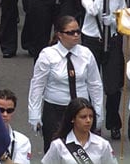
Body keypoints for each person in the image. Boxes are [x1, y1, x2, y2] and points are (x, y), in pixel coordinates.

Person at [28, 15, 104, 153]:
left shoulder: (86, 54)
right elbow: (37, 86)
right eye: (70, 32)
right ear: (59, 35)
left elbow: (95, 85)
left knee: (82, 151)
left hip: (81, 110)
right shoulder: (48, 55)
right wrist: (34, 114)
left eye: (78, 32)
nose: (75, 35)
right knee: (55, 151)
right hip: (56, 111)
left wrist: (98, 112)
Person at [81, 0, 126, 140]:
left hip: (113, 40)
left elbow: (125, 17)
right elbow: (92, 10)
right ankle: (93, 123)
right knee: (92, 84)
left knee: (113, 86)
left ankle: (113, 122)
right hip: (93, 40)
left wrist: (114, 22)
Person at [42, 98, 117, 164]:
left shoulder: (102, 145)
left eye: (91, 116)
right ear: (73, 119)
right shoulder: (59, 145)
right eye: (83, 117)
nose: (88, 120)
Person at [0, 89, 32, 164]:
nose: (5, 114)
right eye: (0, 110)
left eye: (9, 110)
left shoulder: (22, 141)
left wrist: (3, 156)